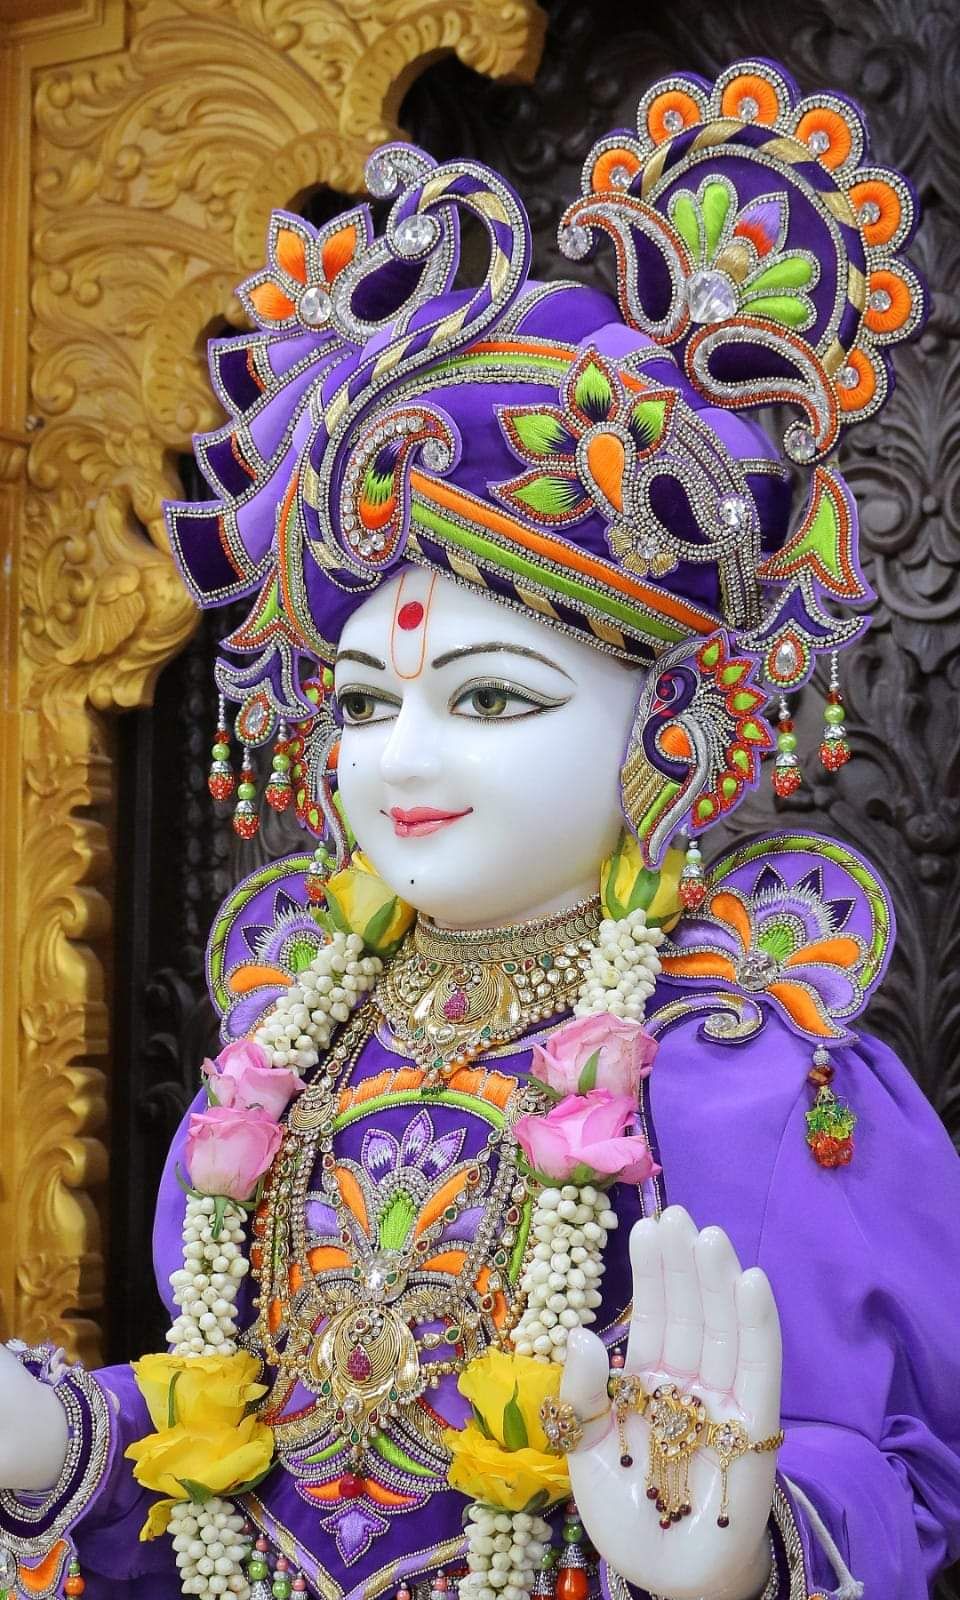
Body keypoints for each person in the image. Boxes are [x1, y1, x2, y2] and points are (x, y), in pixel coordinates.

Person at [1, 56, 958, 1600]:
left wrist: (751, 1550)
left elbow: (900, 1468)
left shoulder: (752, 1082)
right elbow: (237, 1460)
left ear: (667, 729)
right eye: (366, 704)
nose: (399, 761)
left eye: (493, 700)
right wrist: (67, 1447)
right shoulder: (282, 1059)